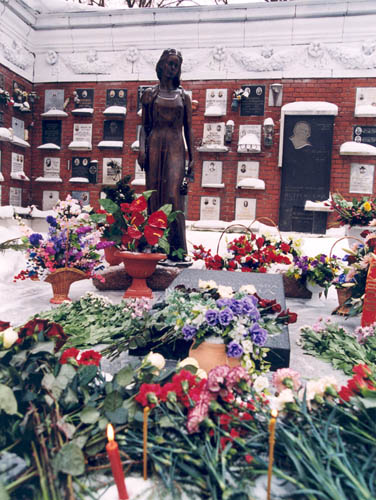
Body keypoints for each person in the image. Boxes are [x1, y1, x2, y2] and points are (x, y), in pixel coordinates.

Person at [138, 48, 194, 261]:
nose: (173, 67)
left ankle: (176, 248)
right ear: (161, 66)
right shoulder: (150, 95)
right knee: (153, 195)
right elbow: (144, 126)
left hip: (175, 147)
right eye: (170, 63)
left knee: (173, 196)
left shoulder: (183, 96)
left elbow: (189, 129)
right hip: (154, 145)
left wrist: (193, 159)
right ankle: (154, 245)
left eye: (176, 64)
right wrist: (142, 149)